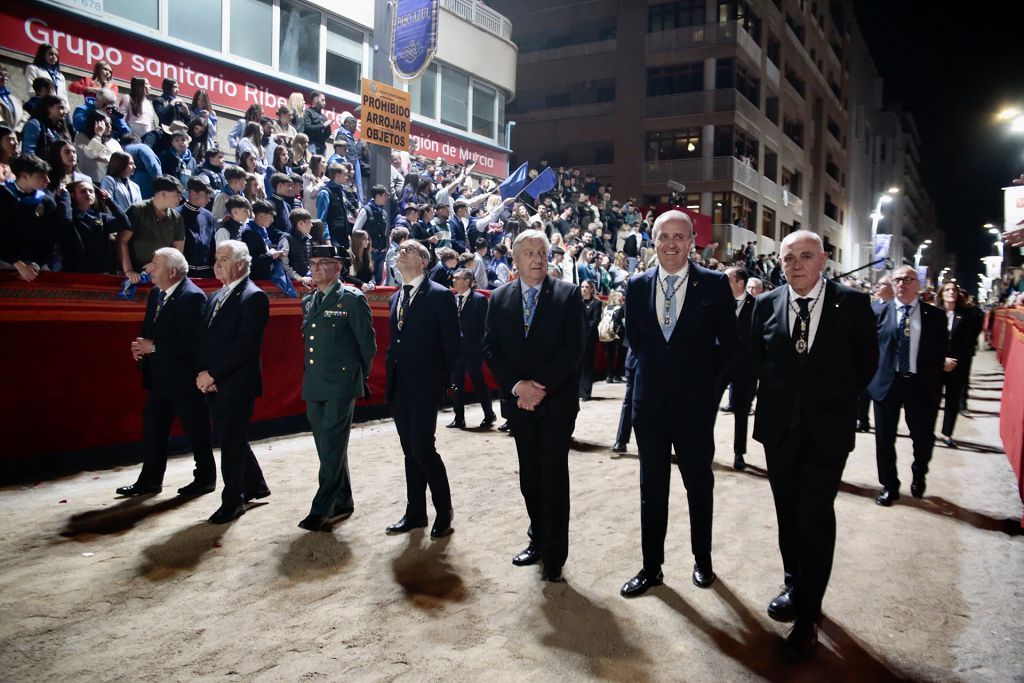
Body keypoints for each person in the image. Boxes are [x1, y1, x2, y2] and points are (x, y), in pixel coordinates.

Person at [750, 230, 878, 658]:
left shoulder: (853, 304)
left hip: (827, 430)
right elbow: (754, 360)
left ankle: (808, 613)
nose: (797, 265)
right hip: (779, 429)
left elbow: (866, 364)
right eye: (789, 259)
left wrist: (833, 402)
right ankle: (794, 584)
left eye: (806, 256)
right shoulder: (765, 304)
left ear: (823, 259)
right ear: (780, 263)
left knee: (815, 513)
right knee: (788, 510)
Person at [620, 210, 737, 599]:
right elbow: (637, 341)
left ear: (691, 242)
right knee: (651, 489)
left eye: (679, 237)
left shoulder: (716, 284)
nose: (671, 244)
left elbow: (729, 349)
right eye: (663, 236)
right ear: (653, 241)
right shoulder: (636, 286)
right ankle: (651, 568)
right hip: (649, 408)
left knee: (697, 486)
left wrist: (708, 394)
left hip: (695, 410)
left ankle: (702, 561)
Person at [484, 229, 584, 583]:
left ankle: (555, 554)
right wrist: (517, 388)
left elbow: (573, 350)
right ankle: (537, 540)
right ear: (515, 259)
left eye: (542, 251)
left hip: (555, 403)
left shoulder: (568, 295)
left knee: (553, 477)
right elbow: (492, 349)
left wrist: (539, 389)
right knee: (530, 476)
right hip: (518, 405)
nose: (538, 258)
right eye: (529, 252)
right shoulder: (498, 298)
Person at [117, 247, 216, 496]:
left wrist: (155, 347)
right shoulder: (155, 294)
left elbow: (193, 343)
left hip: (184, 378)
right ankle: (150, 480)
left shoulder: (193, 297)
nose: (149, 268)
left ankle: (205, 478)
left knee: (197, 431)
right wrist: (139, 347)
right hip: (159, 376)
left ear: (172, 272)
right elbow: (148, 329)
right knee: (153, 429)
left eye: (155, 264)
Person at [384, 239, 461, 539]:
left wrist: (449, 384)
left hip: (425, 386)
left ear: (424, 262)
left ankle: (444, 511)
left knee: (422, 448)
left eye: (410, 249)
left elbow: (453, 343)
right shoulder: (394, 299)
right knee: (408, 451)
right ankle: (415, 512)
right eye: (400, 249)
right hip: (399, 386)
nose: (402, 252)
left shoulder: (440, 295)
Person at [296, 245, 376, 531]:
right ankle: (343, 499)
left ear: (338, 267)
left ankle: (322, 509)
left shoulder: (352, 300)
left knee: (330, 444)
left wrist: (357, 378)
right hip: (315, 382)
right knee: (326, 446)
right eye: (313, 263)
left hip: (342, 383)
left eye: (323, 263)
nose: (316, 269)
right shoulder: (309, 301)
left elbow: (367, 346)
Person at [196, 240, 271, 523]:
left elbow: (245, 346)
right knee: (233, 435)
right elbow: (205, 340)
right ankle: (256, 485)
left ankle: (234, 500)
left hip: (237, 382)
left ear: (241, 264)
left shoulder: (254, 296)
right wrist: (205, 373)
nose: (217, 264)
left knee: (230, 440)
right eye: (216, 258)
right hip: (215, 380)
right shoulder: (216, 296)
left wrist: (213, 374)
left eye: (224, 259)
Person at [867, 265, 946, 506]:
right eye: (898, 280)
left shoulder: (935, 316)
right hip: (887, 385)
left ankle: (919, 472)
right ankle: (890, 485)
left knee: (922, 438)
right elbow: (868, 348)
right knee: (884, 439)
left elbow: (940, 351)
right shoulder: (878, 312)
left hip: (920, 386)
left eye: (908, 279)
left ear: (918, 284)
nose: (902, 284)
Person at [717, 266, 757, 470]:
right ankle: (703, 448)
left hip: (744, 368)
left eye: (727, 279)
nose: (722, 283)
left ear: (740, 283)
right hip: (718, 366)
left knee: (741, 412)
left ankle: (739, 453)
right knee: (707, 408)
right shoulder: (718, 302)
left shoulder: (758, 306)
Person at [447, 269, 497, 430]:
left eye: (457, 278)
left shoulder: (479, 299)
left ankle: (489, 414)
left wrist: (482, 347)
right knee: (456, 384)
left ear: (467, 281)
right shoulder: (452, 299)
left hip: (474, 349)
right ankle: (459, 417)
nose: (453, 280)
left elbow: (486, 326)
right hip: (457, 350)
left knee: (479, 383)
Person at [0, 154, 61, 281]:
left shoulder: (46, 202)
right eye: (41, 176)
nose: (48, 180)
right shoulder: (3, 197)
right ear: (24, 176)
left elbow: (51, 239)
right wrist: (18, 264)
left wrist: (36, 264)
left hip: (36, 266)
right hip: (6, 262)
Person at [120, 175, 185, 282]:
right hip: (134, 275)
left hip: (162, 276)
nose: (180, 198)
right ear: (163, 194)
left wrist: (157, 265)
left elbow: (177, 250)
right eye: (177, 195)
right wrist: (128, 270)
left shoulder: (177, 218)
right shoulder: (137, 210)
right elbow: (122, 241)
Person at [59, 179, 128, 273]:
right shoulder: (70, 216)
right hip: (74, 271)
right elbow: (66, 220)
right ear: (73, 195)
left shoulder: (102, 217)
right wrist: (65, 195)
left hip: (99, 272)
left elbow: (124, 222)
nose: (88, 194)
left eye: (91, 191)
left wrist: (109, 201)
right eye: (83, 191)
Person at [938, 282, 974, 448]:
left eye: (954, 290)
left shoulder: (966, 315)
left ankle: (947, 434)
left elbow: (968, 342)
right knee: (930, 400)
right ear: (941, 293)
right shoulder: (933, 313)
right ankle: (926, 431)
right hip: (935, 364)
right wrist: (940, 359)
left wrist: (954, 360)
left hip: (957, 365)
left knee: (952, 401)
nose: (951, 292)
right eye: (947, 290)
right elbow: (928, 341)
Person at [238, 199, 284, 280]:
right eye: (270, 216)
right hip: (256, 279)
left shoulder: (262, 229)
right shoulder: (249, 233)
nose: (272, 220)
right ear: (260, 216)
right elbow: (249, 261)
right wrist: (270, 256)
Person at [180, 176, 216, 278]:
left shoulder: (208, 216)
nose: (209, 200)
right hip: (186, 273)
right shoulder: (177, 215)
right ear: (193, 193)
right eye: (206, 195)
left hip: (207, 273)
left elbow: (212, 245)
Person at [579, 280, 603, 401]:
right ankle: (578, 392)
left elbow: (595, 321)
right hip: (578, 339)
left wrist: (584, 330)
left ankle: (586, 393)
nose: (584, 289)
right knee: (578, 366)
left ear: (591, 289)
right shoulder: (577, 302)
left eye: (586, 287)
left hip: (589, 338)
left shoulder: (596, 303)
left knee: (588, 365)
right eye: (582, 287)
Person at [302, 91, 333, 156]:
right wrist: (323, 126)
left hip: (322, 146)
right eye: (322, 100)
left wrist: (328, 127)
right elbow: (308, 128)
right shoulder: (308, 112)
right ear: (315, 99)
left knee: (321, 165)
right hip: (311, 144)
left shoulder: (324, 117)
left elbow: (327, 135)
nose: (325, 102)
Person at [0, 65, 25, 131]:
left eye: (5, 75)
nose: (3, 77)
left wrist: (17, 130)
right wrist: (5, 132)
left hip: (13, 137)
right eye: (0, 74)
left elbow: (25, 117)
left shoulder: (16, 100)